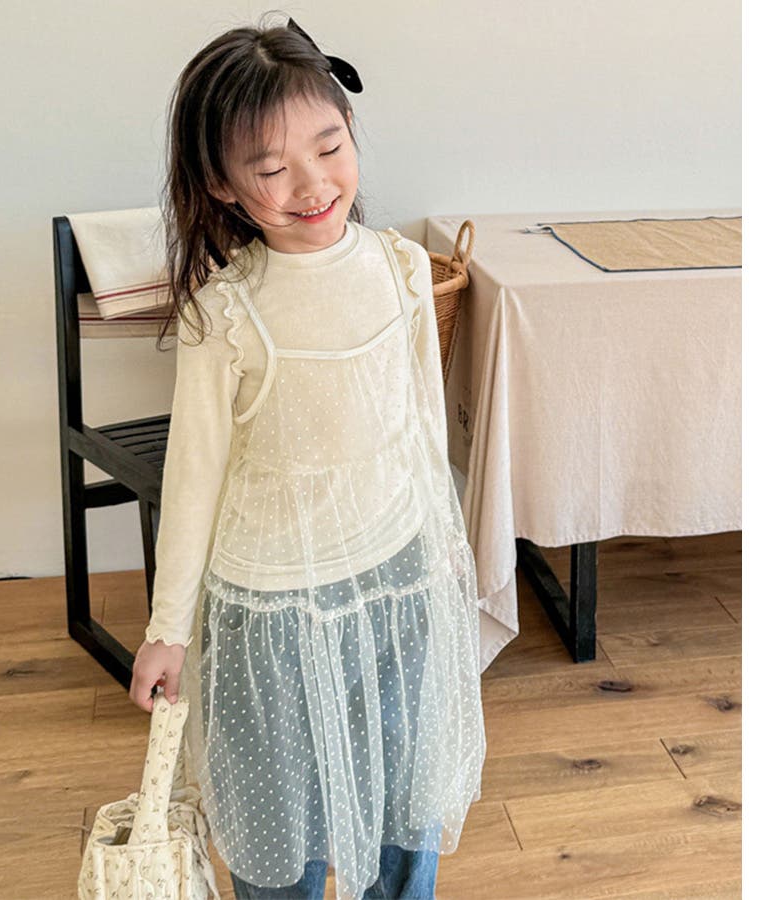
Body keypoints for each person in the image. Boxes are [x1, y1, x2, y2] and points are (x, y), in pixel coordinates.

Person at [128, 15, 486, 900]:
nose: (313, 184)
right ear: (221, 184)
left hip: (397, 583)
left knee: (403, 800)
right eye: (271, 168)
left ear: (351, 130)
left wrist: (444, 540)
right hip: (273, 612)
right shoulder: (224, 313)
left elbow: (419, 419)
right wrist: (168, 630)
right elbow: (193, 480)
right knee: (280, 827)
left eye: (329, 147)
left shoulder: (404, 269)